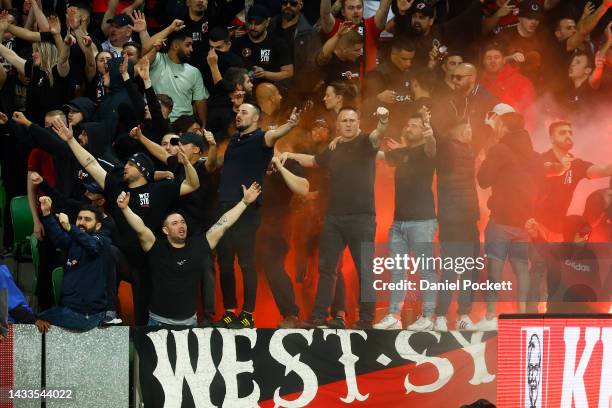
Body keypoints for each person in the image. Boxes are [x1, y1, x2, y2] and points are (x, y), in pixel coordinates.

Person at [50, 117, 200, 326]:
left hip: (150, 257)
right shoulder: (117, 188)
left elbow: (192, 185)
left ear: (143, 170)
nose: (125, 167)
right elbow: (91, 164)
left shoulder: (160, 189)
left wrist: (185, 164)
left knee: (144, 294)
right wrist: (70, 140)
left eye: (131, 164)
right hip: (121, 255)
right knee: (107, 250)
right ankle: (106, 311)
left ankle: (144, 330)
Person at [282, 106, 390, 329]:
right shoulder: (334, 148)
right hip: (333, 218)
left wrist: (384, 120)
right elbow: (313, 160)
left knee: (365, 270)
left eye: (352, 120)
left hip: (362, 218)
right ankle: (319, 318)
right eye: (344, 120)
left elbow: (379, 133)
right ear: (338, 125)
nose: (349, 124)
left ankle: (366, 320)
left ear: (358, 122)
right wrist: (290, 155)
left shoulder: (366, 143)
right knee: (327, 269)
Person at [117, 182, 261, 326]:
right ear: (165, 230)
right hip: (158, 323)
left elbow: (223, 224)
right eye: (174, 223)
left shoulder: (198, 246)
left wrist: (244, 202)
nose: (181, 226)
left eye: (183, 222)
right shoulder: (156, 246)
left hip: (189, 324)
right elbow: (140, 228)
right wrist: (125, 209)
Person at [215, 103, 300, 328]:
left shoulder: (262, 138)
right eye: (237, 112)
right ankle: (229, 311)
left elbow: (275, 134)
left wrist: (290, 125)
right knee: (224, 262)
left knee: (246, 263)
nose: (238, 115)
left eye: (244, 112)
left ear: (255, 118)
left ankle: (248, 313)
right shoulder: (234, 140)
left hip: (247, 209)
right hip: (224, 207)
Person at [476, 112, 543, 329]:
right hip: (523, 223)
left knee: (494, 267)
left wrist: (487, 156)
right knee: (521, 268)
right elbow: (541, 188)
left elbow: (483, 180)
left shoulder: (500, 149)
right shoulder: (534, 155)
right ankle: (522, 315)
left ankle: (490, 315)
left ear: (504, 127)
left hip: (501, 220)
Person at [373, 109, 438, 331]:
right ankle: (394, 316)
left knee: (426, 270)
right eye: (408, 125)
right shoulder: (402, 153)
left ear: (423, 130)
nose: (409, 128)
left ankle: (428, 317)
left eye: (414, 126)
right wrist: (356, 148)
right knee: (398, 270)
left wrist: (430, 135)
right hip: (398, 221)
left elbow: (432, 148)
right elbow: (379, 156)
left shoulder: (427, 150)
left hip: (422, 221)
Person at [37, 196, 112, 331]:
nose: (82, 222)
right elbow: (59, 239)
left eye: (87, 219)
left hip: (87, 315)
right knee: (33, 319)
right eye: (79, 219)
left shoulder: (102, 240)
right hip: (69, 310)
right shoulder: (75, 240)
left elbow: (91, 245)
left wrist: (69, 227)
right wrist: (47, 214)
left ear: (98, 226)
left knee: (30, 320)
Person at [433, 119, 480, 331]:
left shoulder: (468, 150)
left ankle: (463, 315)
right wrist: (430, 122)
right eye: (467, 127)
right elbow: (440, 140)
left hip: (468, 219)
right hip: (452, 220)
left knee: (469, 269)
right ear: (457, 131)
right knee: (451, 270)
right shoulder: (447, 149)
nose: (471, 130)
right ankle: (441, 315)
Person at [258, 155, 309, 328]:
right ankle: (241, 316)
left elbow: (303, 188)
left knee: (274, 268)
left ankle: (291, 314)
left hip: (277, 226)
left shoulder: (288, 163)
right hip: (250, 223)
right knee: (245, 270)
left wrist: (279, 166)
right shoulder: (251, 159)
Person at [143, 21, 209, 124]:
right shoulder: (156, 59)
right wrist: (170, 28)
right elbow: (145, 49)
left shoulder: (194, 72)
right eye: (188, 45)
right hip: (156, 120)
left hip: (184, 125)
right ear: (175, 46)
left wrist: (203, 126)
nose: (191, 49)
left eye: (192, 45)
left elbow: (200, 101)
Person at [319, 0, 392, 74]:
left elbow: (383, 10)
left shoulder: (370, 25)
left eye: (359, 7)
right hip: (341, 83)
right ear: (343, 12)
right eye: (351, 8)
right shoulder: (337, 27)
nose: (356, 11)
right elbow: (325, 14)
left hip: (369, 83)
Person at [270, 0, 322, 98]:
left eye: (293, 3)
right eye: (285, 3)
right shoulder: (270, 26)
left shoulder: (309, 34)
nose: (288, 6)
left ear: (300, 5)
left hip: (294, 91)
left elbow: (311, 66)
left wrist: (298, 90)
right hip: (269, 85)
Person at [231, 5, 294, 87]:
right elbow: (231, 72)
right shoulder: (238, 43)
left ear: (267, 22)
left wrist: (265, 74)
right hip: (244, 92)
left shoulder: (278, 43)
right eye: (250, 22)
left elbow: (288, 73)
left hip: (269, 91)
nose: (252, 27)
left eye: (257, 23)